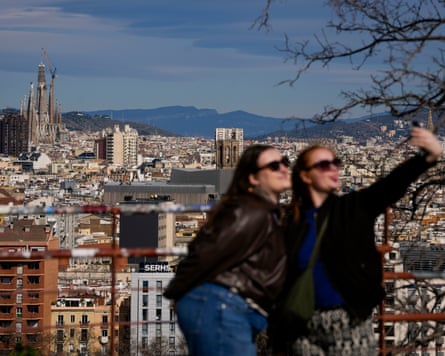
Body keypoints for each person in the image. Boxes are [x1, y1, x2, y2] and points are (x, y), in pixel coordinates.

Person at [270, 126, 443, 355]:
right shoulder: (287, 220)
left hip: (349, 323)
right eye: (324, 165)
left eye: (335, 163)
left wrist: (427, 157)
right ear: (305, 175)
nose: (333, 169)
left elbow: (389, 187)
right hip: (300, 327)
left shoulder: (352, 209)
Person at [163, 144, 292, 356]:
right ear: (253, 178)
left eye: (285, 162)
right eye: (274, 165)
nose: (283, 169)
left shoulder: (262, 211)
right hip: (221, 307)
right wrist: (176, 293)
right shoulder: (251, 212)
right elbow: (205, 254)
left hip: (227, 308)